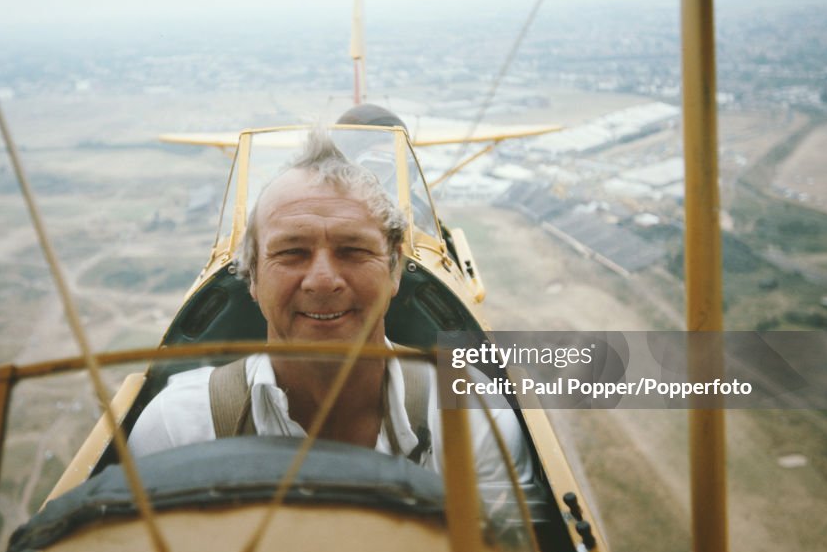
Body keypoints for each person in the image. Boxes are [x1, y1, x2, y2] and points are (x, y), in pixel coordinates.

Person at [129, 129, 541, 518]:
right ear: (252, 276)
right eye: (291, 252)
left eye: (353, 250)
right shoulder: (176, 428)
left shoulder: (472, 415)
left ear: (395, 269)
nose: (323, 281)